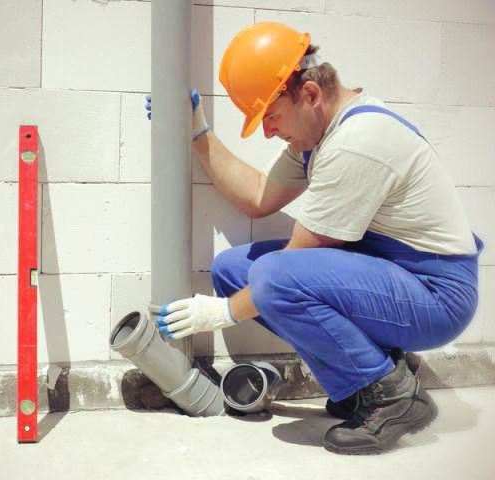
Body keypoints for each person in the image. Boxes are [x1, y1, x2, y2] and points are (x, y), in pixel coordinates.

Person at [145, 22, 482, 455]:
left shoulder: (356, 143)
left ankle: (391, 394)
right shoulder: (320, 135)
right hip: (398, 276)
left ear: (309, 94)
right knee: (234, 270)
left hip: (437, 294)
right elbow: (258, 197)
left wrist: (223, 313)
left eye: (271, 116)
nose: (267, 132)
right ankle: (377, 371)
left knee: (269, 278)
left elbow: (288, 269)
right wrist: (196, 133)